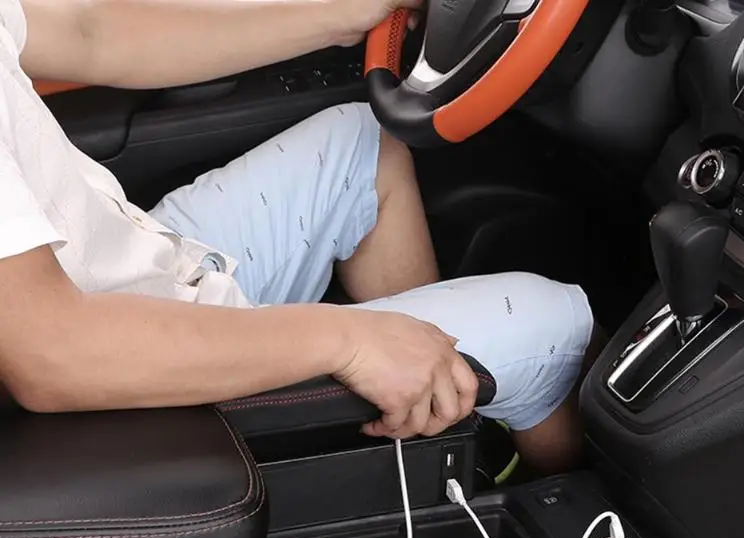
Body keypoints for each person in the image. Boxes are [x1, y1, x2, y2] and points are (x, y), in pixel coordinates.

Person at [0, 0, 600, 475]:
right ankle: (574, 525)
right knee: (554, 331)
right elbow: (54, 354)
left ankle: (438, 422)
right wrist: (347, 342)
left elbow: (88, 31)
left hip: (123, 271)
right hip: (117, 364)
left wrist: (344, 12)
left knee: (362, 146)